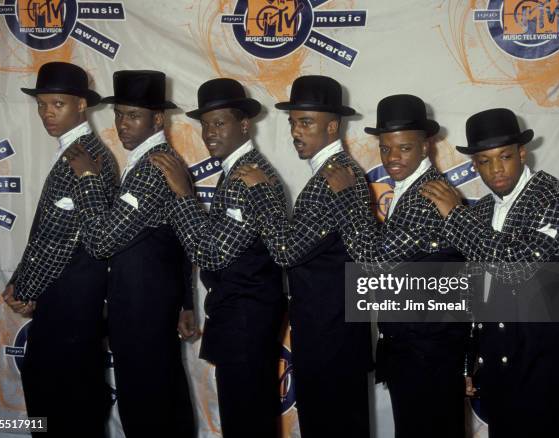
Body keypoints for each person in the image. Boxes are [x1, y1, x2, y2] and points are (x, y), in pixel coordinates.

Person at [421, 107, 559, 438]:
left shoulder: (556, 198)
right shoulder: (479, 212)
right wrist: (469, 362)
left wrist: (455, 216)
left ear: (522, 153)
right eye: (484, 161)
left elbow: (516, 267)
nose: (496, 169)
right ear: (474, 164)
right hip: (497, 369)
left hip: (543, 369)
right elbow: (474, 296)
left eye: (504, 156)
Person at [321, 94, 469, 438]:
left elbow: (374, 264)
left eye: (404, 148)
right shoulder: (408, 188)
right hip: (416, 345)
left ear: (426, 146)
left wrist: (347, 197)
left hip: (428, 350)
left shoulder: (426, 196)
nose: (393, 158)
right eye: (386, 149)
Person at [234, 75, 372, 438]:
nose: (296, 131)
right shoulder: (336, 172)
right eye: (293, 122)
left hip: (330, 335)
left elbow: (285, 251)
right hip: (335, 331)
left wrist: (264, 193)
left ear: (332, 126)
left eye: (306, 122)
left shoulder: (332, 177)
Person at [150, 78, 285, 438]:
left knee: (247, 418)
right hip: (240, 315)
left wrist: (182, 194)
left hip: (247, 318)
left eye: (220, 122)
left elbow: (211, 253)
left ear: (244, 125)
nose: (209, 132)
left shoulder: (246, 176)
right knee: (244, 415)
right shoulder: (237, 171)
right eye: (205, 124)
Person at [62, 70, 195, 438]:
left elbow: (102, 241)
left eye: (133, 115)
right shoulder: (158, 159)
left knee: (145, 403)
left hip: (142, 308)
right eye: (118, 114)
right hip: (152, 302)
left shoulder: (152, 169)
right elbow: (181, 239)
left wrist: (88, 178)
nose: (122, 124)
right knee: (163, 397)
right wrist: (186, 301)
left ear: (157, 119)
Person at [2, 61, 117, 437]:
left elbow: (63, 239)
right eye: (42, 105)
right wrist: (22, 280)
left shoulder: (88, 157)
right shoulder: (75, 150)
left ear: (81, 105)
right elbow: (45, 230)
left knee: (63, 394)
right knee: (58, 390)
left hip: (73, 295)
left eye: (58, 104)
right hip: (62, 292)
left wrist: (26, 289)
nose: (47, 114)